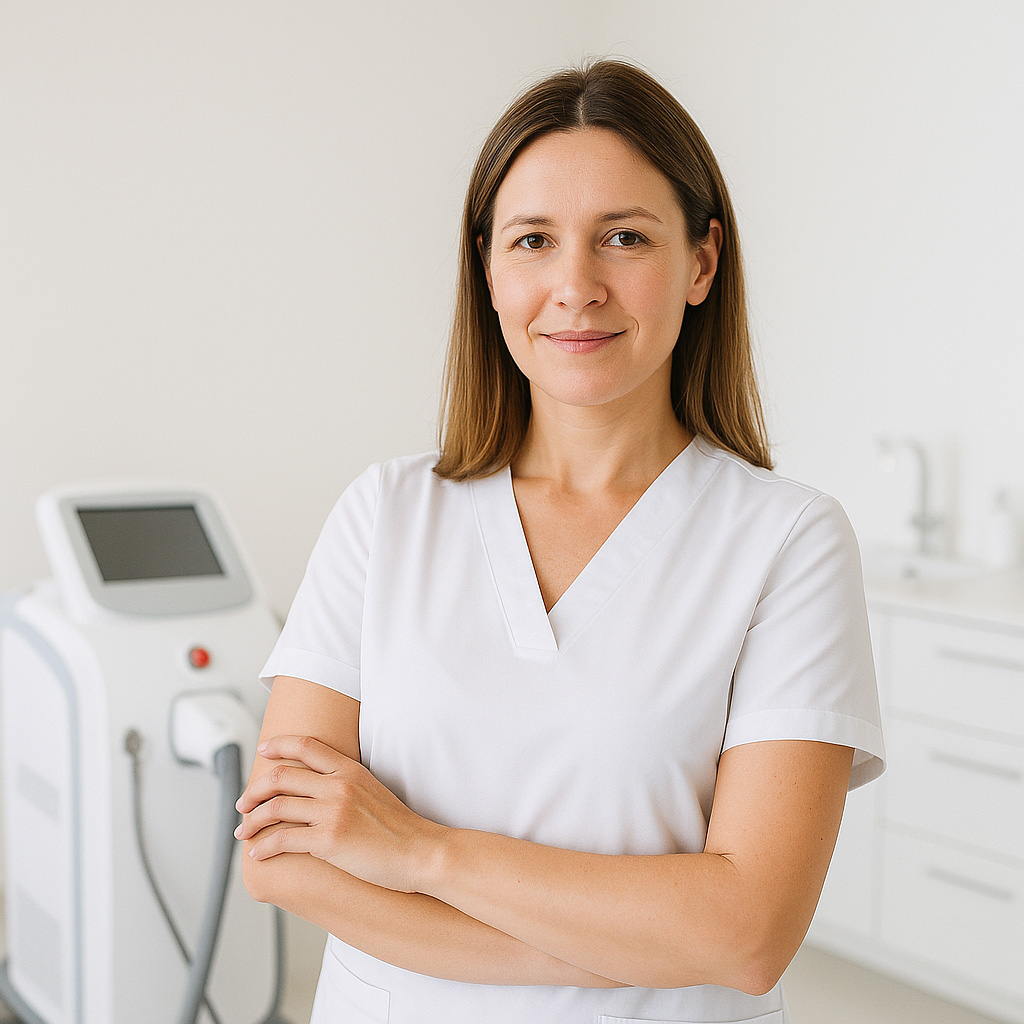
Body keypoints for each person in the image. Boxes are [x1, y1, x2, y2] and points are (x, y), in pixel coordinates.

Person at [235, 58, 885, 1024]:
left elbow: (749, 932)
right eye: (534, 240)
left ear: (702, 262)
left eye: (625, 237)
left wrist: (417, 851)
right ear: (488, 267)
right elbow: (283, 860)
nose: (576, 287)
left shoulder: (786, 540)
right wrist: (645, 947)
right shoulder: (386, 514)